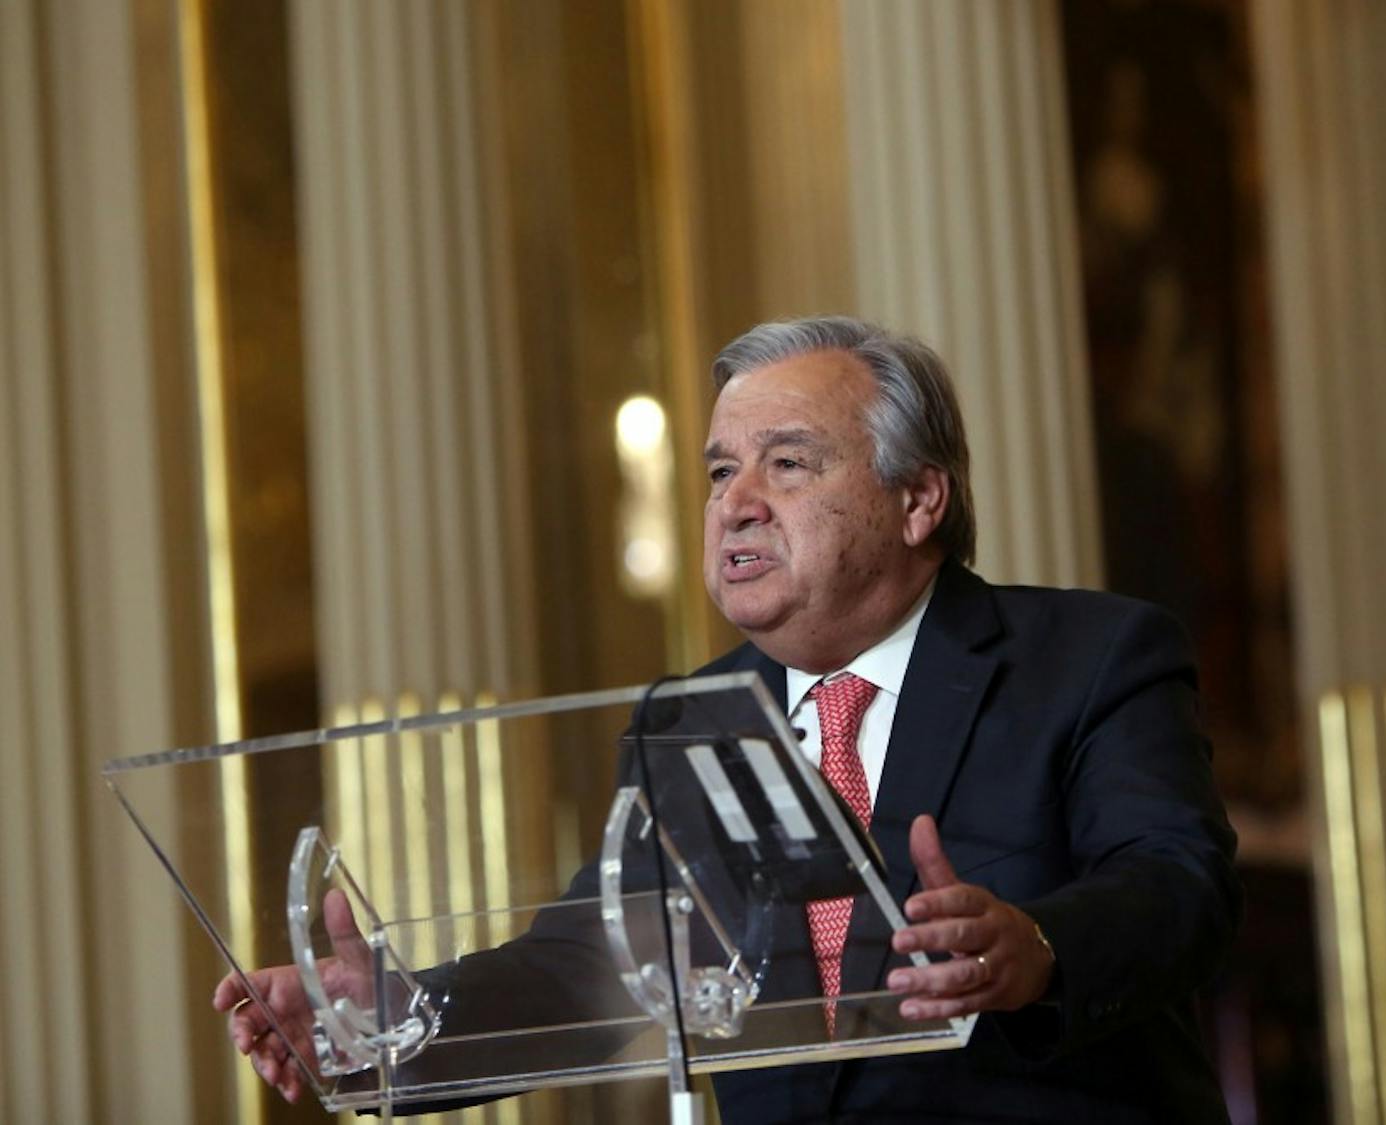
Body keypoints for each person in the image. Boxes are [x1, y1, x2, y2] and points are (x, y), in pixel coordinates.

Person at [217, 316, 1241, 1122]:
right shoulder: (690, 722)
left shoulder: (1089, 657)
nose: (735, 503)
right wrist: (395, 1022)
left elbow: (1179, 887)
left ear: (919, 499)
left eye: (788, 465)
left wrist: (1038, 947)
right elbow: (589, 972)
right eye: (719, 472)